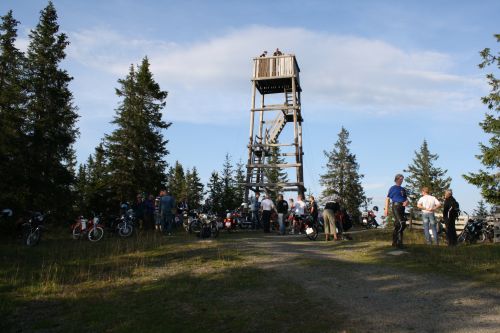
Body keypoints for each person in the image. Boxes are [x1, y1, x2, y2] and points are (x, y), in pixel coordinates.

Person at [384, 174, 409, 248]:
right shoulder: (393, 188)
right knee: (402, 224)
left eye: (402, 179)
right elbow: (387, 199)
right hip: (396, 206)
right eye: (400, 179)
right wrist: (386, 209)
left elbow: (406, 199)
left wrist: (407, 202)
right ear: (396, 179)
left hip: (402, 207)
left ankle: (396, 242)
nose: (402, 181)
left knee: (398, 225)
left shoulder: (403, 189)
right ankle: (398, 242)